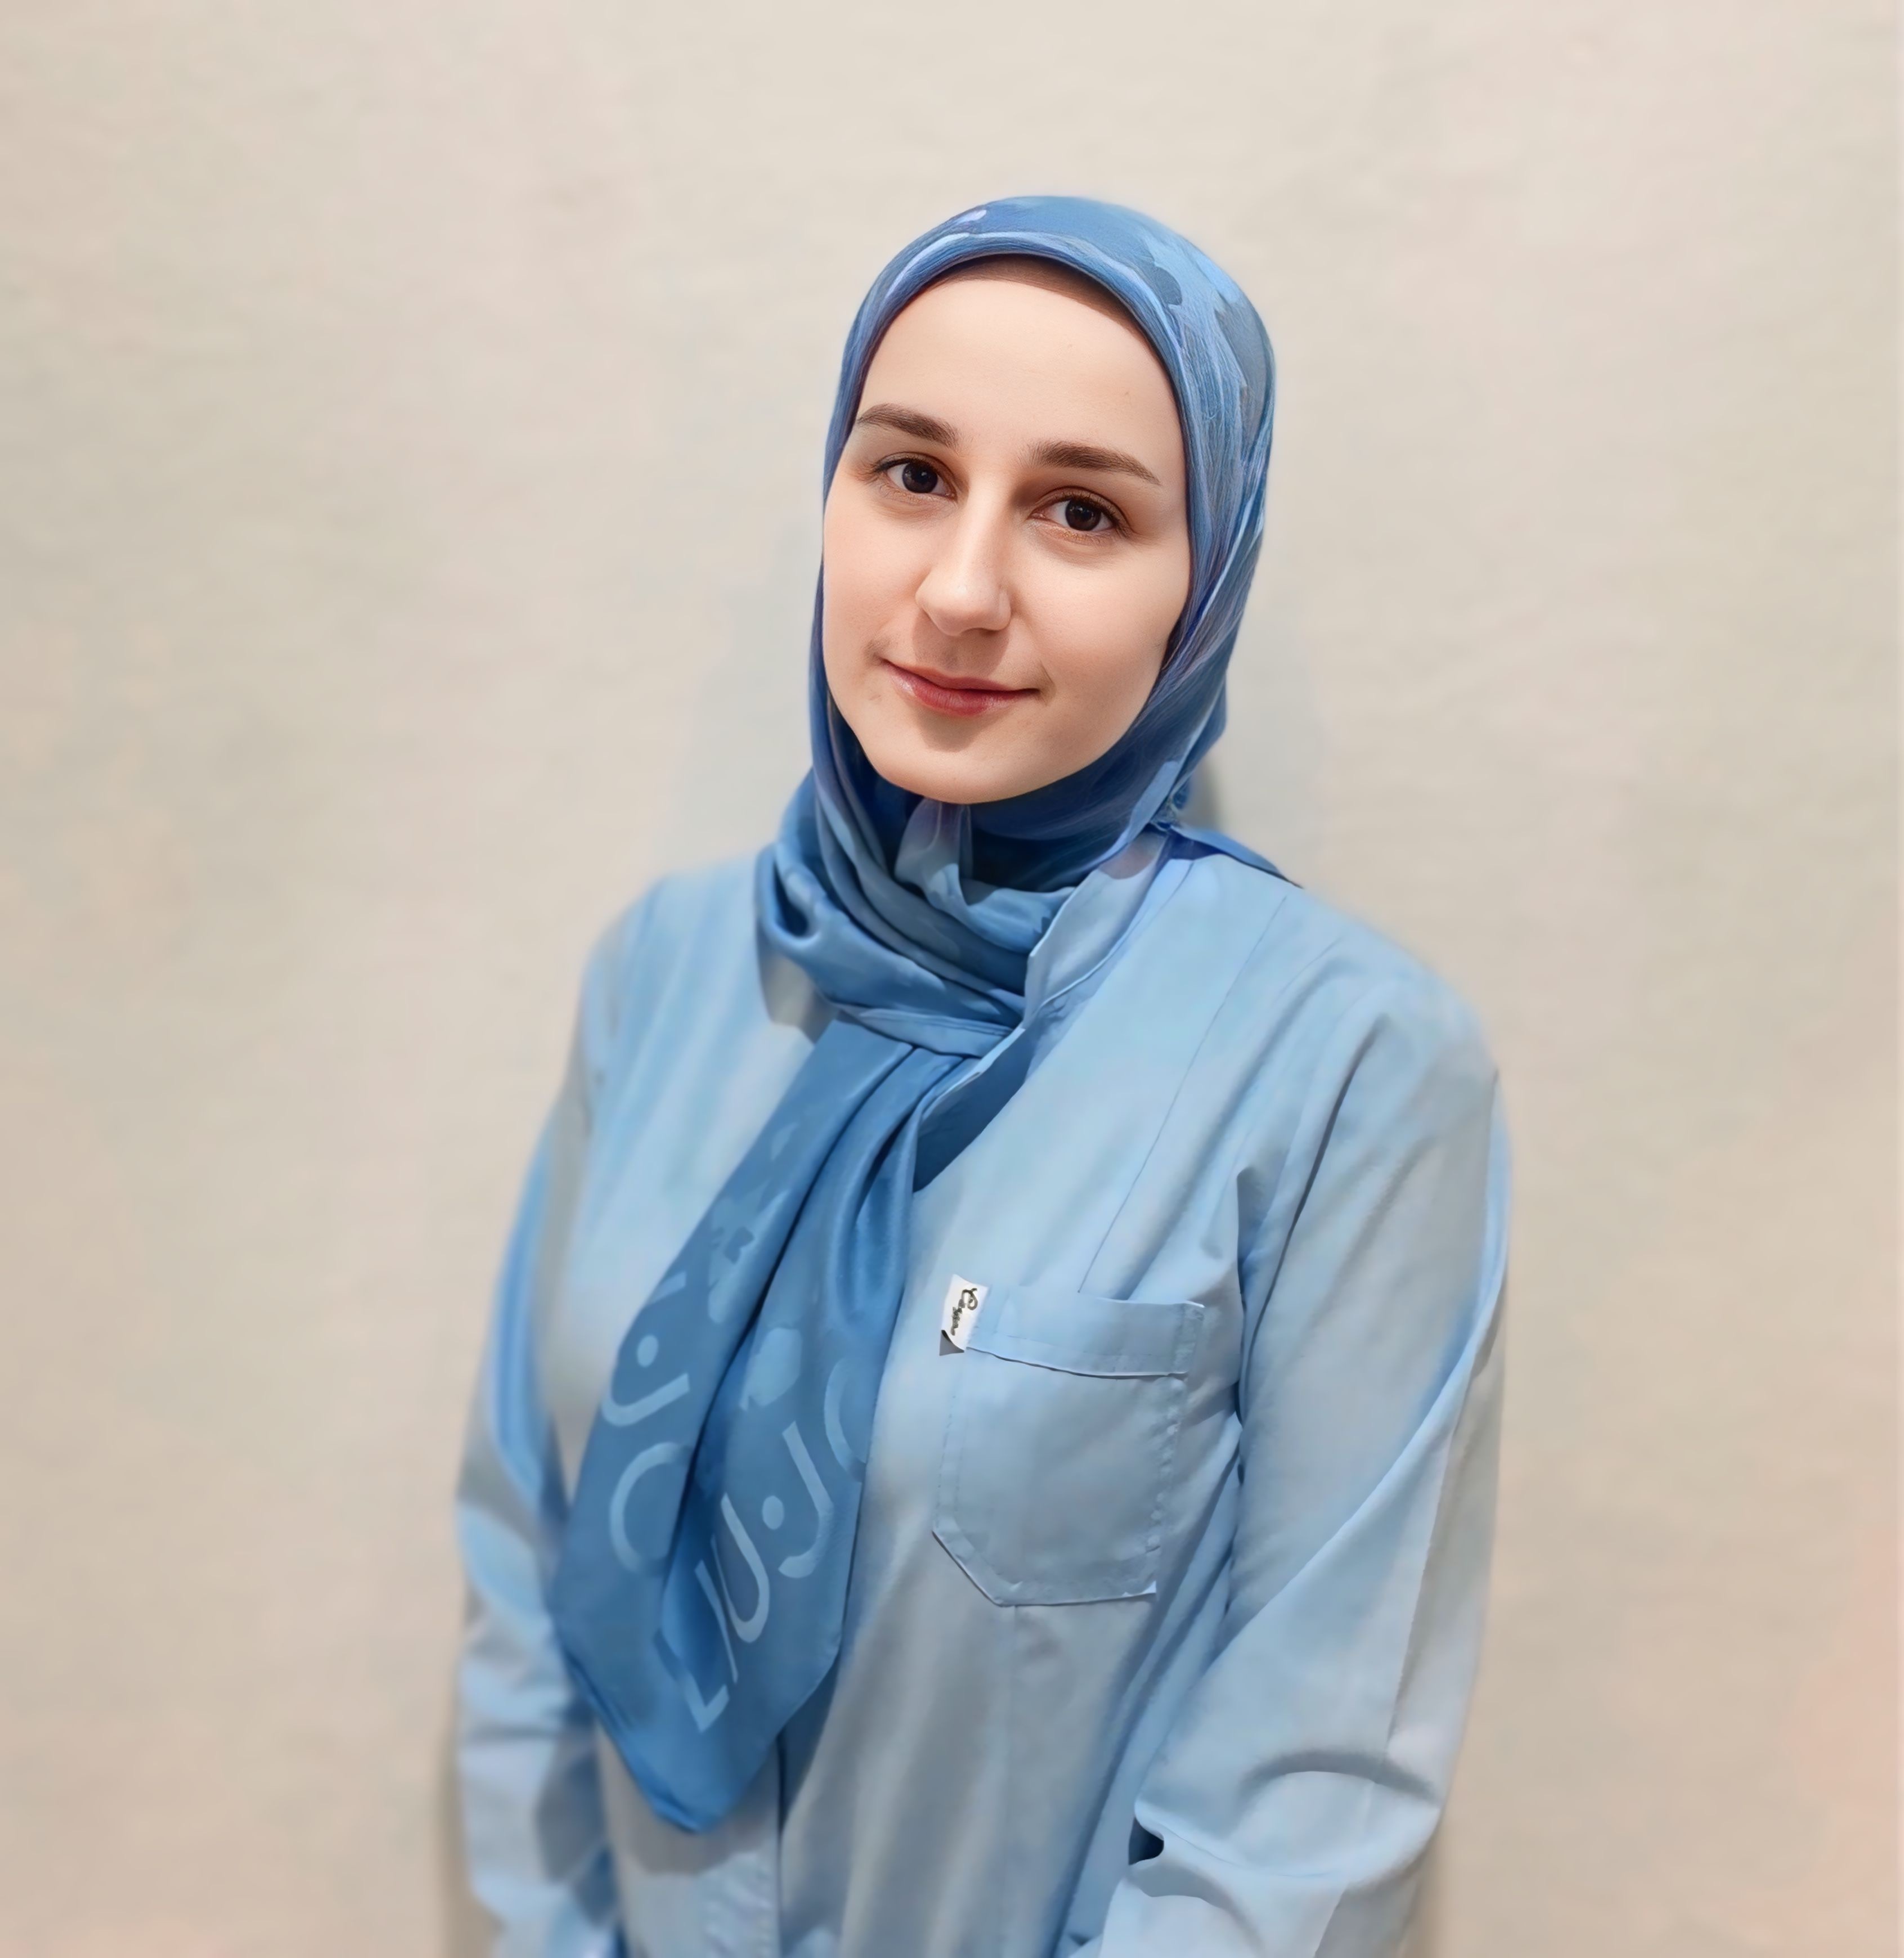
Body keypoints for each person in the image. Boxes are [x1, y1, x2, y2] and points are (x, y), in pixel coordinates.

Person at [453, 195, 1510, 1958]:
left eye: (1082, 511)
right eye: (912, 474)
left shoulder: (1346, 1066)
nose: (958, 591)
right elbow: (524, 1570)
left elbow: (1310, 1801)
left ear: (1203, 587)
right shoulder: (666, 972)